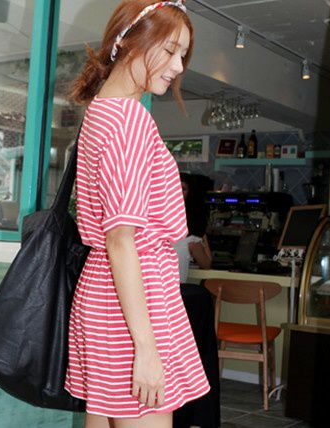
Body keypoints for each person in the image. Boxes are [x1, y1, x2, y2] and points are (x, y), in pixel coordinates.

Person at [64, 1, 210, 427]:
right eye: (170, 51)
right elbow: (121, 239)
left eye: (183, 54)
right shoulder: (129, 121)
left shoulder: (101, 112)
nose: (178, 66)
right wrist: (146, 348)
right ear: (130, 43)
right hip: (136, 301)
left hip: (108, 295)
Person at [173, 172, 220, 428]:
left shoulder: (184, 232)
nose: (179, 193)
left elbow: (205, 263)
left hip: (170, 302)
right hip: (177, 303)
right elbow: (207, 263)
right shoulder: (188, 234)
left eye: (183, 189)